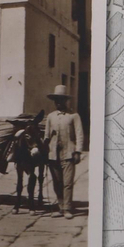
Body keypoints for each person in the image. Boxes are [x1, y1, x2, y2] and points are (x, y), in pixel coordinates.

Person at [43, 85, 84, 219]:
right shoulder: (50, 117)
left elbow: (79, 134)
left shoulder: (74, 116)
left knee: (67, 183)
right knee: (57, 182)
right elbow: (46, 136)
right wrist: (44, 150)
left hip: (68, 154)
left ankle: (67, 209)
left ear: (66, 101)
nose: (58, 103)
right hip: (53, 154)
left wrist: (78, 151)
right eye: (56, 100)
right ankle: (60, 207)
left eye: (61, 100)